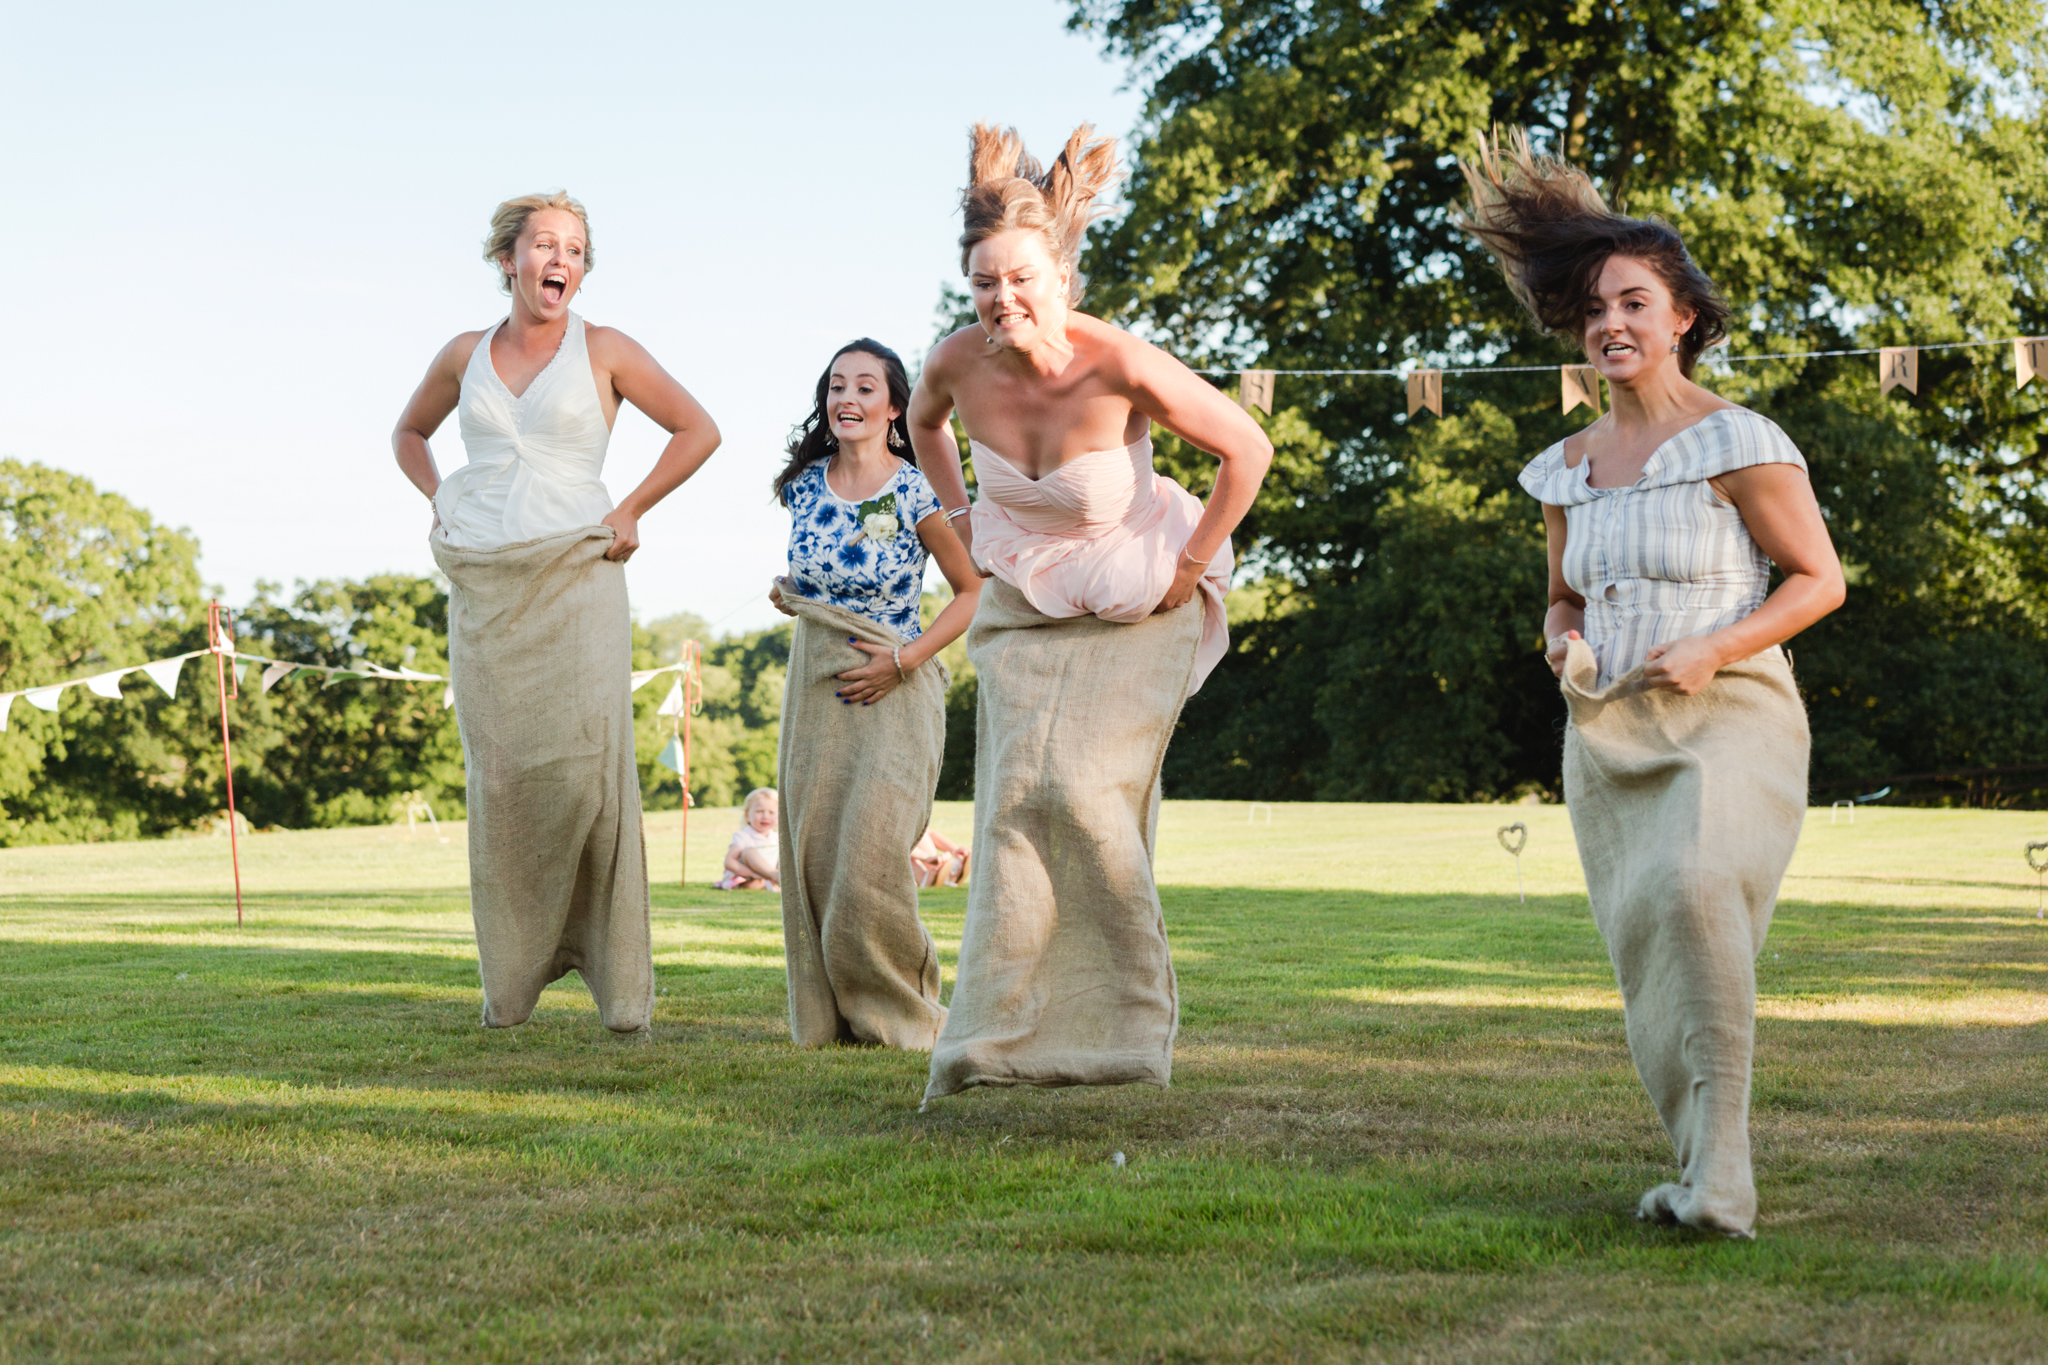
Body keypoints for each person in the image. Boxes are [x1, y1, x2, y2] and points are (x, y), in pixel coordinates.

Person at [1461, 130, 1845, 1237]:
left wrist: (1710, 650)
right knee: (1648, 940)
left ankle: (1721, 1181)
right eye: (1591, 308)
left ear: (1681, 319)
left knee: (1690, 891)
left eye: (1632, 302)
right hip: (1609, 728)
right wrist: (1559, 637)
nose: (1610, 324)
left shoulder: (1737, 441)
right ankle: (1698, 1161)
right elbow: (1563, 596)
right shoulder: (1564, 468)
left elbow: (1816, 581)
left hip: (1730, 713)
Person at [909, 124, 1273, 1102]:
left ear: (1059, 275)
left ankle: (1119, 1040)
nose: (1002, 299)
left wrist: (1189, 566)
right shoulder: (955, 361)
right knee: (1014, 807)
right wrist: (963, 520)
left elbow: (1247, 448)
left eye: (1020, 279)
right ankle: (996, 1039)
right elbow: (921, 426)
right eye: (984, 283)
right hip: (1027, 595)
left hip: (1137, 584)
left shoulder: (1117, 362)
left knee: (1086, 795)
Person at [392, 191, 720, 1034]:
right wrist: (439, 501)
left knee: (587, 774)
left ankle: (616, 982)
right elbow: (409, 435)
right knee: (500, 779)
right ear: (510, 259)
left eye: (574, 248)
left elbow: (697, 428)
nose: (560, 260)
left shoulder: (604, 348)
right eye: (545, 245)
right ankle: (510, 982)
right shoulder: (463, 352)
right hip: (489, 587)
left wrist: (634, 507)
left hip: (579, 576)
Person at [769, 339, 984, 1050]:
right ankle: (840, 1016)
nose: (847, 399)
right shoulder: (804, 487)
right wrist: (792, 596)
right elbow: (815, 574)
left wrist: (902, 659)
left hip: (894, 688)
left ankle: (904, 1010)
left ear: (895, 407)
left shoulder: (913, 490)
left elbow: (970, 594)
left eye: (866, 387)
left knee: (869, 859)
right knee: (815, 858)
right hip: (815, 691)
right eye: (837, 385)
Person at [715, 788, 781, 891]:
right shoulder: (743, 836)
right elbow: (729, 861)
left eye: (771, 812)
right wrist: (752, 874)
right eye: (759, 811)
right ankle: (774, 877)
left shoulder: (776, 838)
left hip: (768, 879)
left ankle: (776, 879)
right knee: (749, 852)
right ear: (747, 815)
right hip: (749, 877)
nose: (765, 816)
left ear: (778, 817)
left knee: (783, 854)